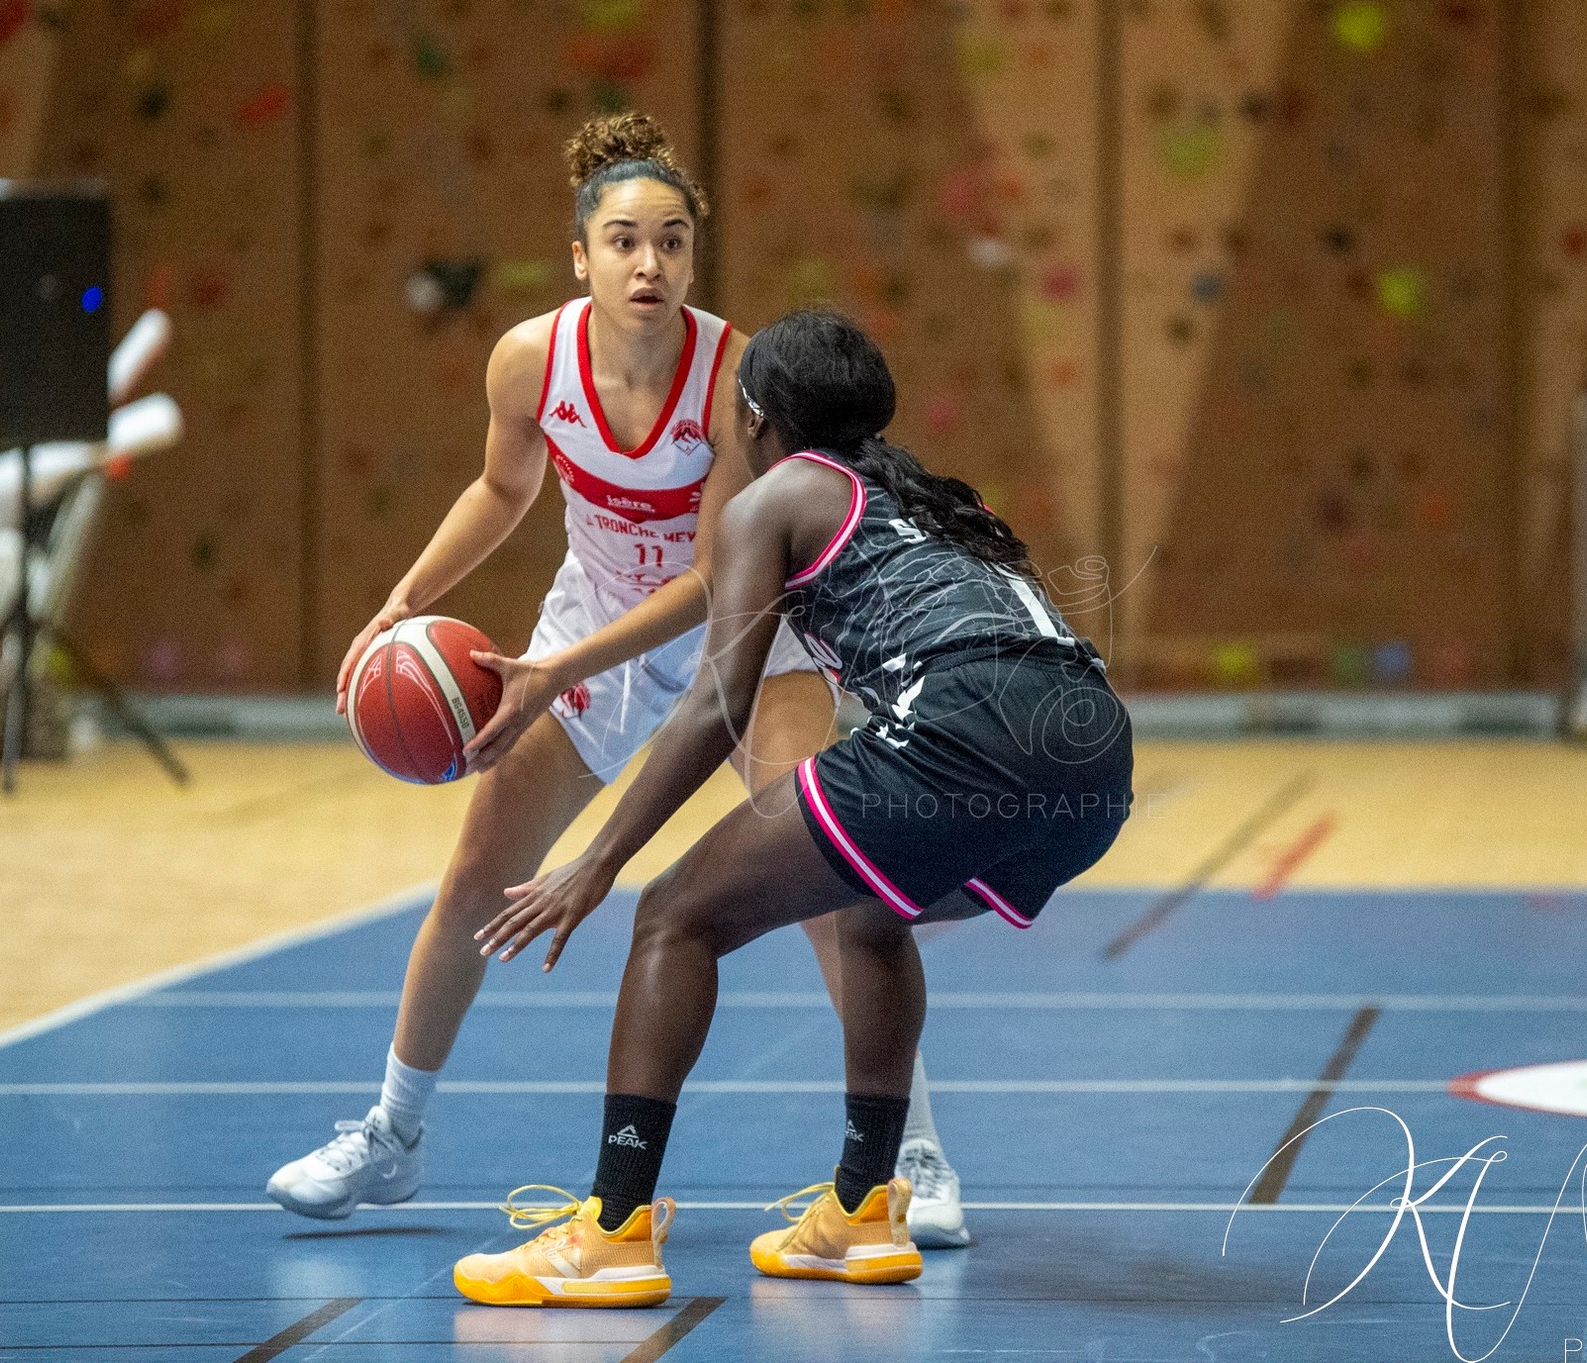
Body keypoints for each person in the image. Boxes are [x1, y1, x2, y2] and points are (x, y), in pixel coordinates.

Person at [265, 116, 970, 1249]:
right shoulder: (527, 361)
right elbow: (500, 492)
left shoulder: (729, 377)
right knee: (475, 878)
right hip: (587, 625)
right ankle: (390, 1138)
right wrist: (402, 598)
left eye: (672, 242)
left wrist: (554, 673)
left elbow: (708, 577)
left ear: (694, 258)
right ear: (581, 255)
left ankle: (912, 1157)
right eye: (626, 241)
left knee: (833, 878)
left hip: (745, 629)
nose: (650, 264)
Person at [449, 308, 1134, 1308]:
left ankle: (610, 1233)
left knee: (671, 914)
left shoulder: (773, 497)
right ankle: (861, 1209)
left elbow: (717, 700)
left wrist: (598, 861)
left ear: (757, 418)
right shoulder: (945, 499)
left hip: (964, 725)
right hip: (1091, 755)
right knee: (865, 909)